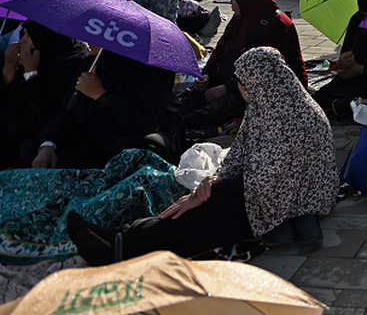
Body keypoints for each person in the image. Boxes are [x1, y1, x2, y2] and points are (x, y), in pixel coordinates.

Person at [67, 47, 340, 263]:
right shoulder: (273, 103)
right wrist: (215, 180)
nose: (240, 88)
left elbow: (270, 183)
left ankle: (119, 245)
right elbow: (243, 153)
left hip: (285, 201)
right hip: (266, 193)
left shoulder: (297, 119)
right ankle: (120, 240)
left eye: (242, 82)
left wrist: (212, 192)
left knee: (198, 217)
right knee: (193, 208)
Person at [179, 0, 305, 130]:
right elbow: (221, 48)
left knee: (214, 111)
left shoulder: (277, 25)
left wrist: (226, 88)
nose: (231, 3)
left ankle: (178, 126)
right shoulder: (241, 18)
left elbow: (264, 72)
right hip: (231, 77)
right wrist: (207, 75)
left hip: (262, 87)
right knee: (185, 101)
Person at [26, 47, 176, 169]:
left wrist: (101, 95)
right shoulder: (91, 64)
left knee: (145, 149)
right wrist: (48, 144)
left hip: (126, 139)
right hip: (89, 139)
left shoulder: (155, 71)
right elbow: (67, 110)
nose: (89, 42)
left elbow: (146, 121)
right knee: (32, 148)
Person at [0, 22, 92, 168]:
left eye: (28, 36)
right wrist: (10, 68)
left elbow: (47, 115)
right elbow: (12, 108)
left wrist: (31, 72)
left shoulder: (72, 65)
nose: (22, 41)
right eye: (23, 33)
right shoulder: (39, 57)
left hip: (47, 138)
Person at [312, 0, 367, 118]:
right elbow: (348, 48)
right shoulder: (357, 19)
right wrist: (342, 63)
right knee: (324, 95)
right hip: (352, 76)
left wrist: (363, 69)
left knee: (363, 97)